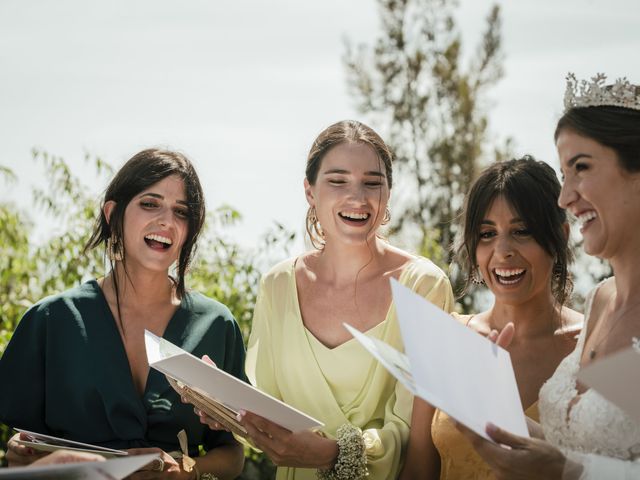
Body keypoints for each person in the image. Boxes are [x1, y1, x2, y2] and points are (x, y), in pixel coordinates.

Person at [196, 120, 454, 480]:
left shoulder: (423, 287)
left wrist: (334, 453)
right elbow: (271, 422)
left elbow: (419, 435)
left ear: (388, 192)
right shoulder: (277, 285)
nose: (357, 198)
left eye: (372, 183)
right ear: (310, 191)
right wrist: (227, 409)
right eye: (338, 181)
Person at [0, 148, 245, 479]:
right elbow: (18, 446)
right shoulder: (50, 320)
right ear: (113, 213)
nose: (166, 221)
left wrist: (187, 471)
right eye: (150, 203)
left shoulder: (216, 325)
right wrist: (20, 451)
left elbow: (232, 451)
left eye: (181, 212)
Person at [460, 73, 640, 479]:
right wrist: (496, 413)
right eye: (564, 174)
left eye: (581, 167)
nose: (565, 197)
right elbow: (593, 441)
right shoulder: (602, 302)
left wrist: (568, 472)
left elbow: (576, 462)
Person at [399, 156, 583, 480]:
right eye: (486, 234)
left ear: (561, 235)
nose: (502, 250)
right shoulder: (445, 339)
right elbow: (418, 471)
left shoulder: (593, 345)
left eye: (521, 230)